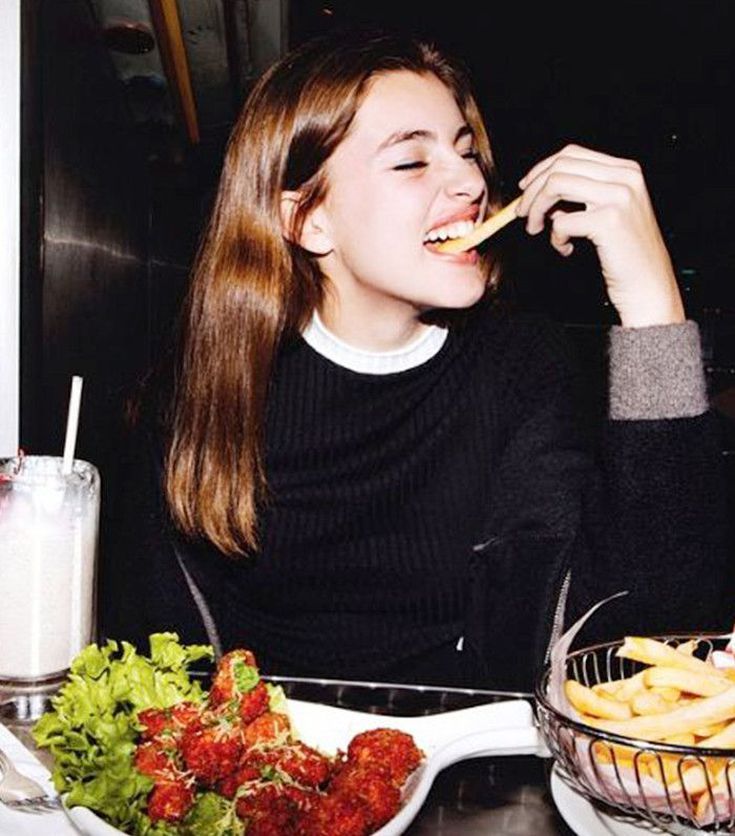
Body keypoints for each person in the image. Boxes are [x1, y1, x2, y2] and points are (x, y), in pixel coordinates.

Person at [101, 30, 728, 692]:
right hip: (259, 778)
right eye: (411, 163)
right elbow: (154, 680)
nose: (470, 181)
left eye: (465, 151)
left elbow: (651, 632)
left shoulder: (521, 368)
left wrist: (652, 306)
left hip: (480, 773)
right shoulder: (203, 393)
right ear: (308, 221)